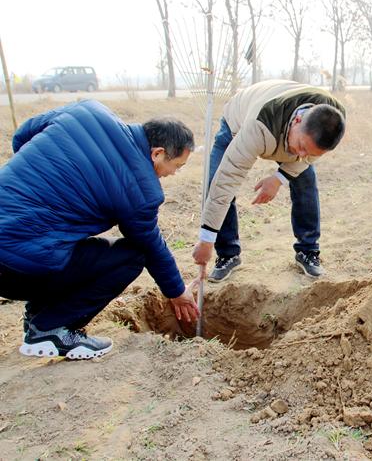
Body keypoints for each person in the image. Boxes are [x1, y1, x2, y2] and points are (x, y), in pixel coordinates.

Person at [0, 100, 199, 360]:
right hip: (15, 268)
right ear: (157, 153)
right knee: (130, 257)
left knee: (67, 245)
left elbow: (22, 135)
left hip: (14, 255)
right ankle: (50, 329)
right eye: (177, 166)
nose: (174, 174)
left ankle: (40, 316)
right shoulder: (140, 190)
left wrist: (40, 175)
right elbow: (150, 247)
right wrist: (177, 292)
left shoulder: (86, 111)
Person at [192, 80, 346, 282]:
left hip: (284, 122)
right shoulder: (259, 125)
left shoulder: (331, 122)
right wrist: (206, 239)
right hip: (240, 120)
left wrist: (279, 178)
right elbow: (228, 179)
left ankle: (307, 251)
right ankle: (228, 254)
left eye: (308, 152)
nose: (301, 156)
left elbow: (307, 157)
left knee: (306, 179)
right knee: (215, 180)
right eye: (301, 146)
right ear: (298, 121)